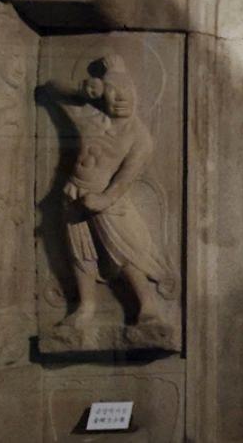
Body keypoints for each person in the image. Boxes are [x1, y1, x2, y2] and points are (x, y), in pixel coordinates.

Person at [39, 54, 172, 328]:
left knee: (125, 252)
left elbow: (125, 178)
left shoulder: (140, 138)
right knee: (80, 253)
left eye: (126, 93)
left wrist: (104, 199)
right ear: (102, 95)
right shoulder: (90, 118)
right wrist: (81, 90)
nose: (120, 99)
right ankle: (86, 306)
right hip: (74, 193)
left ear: (136, 95)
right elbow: (50, 89)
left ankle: (147, 304)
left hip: (110, 201)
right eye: (112, 93)